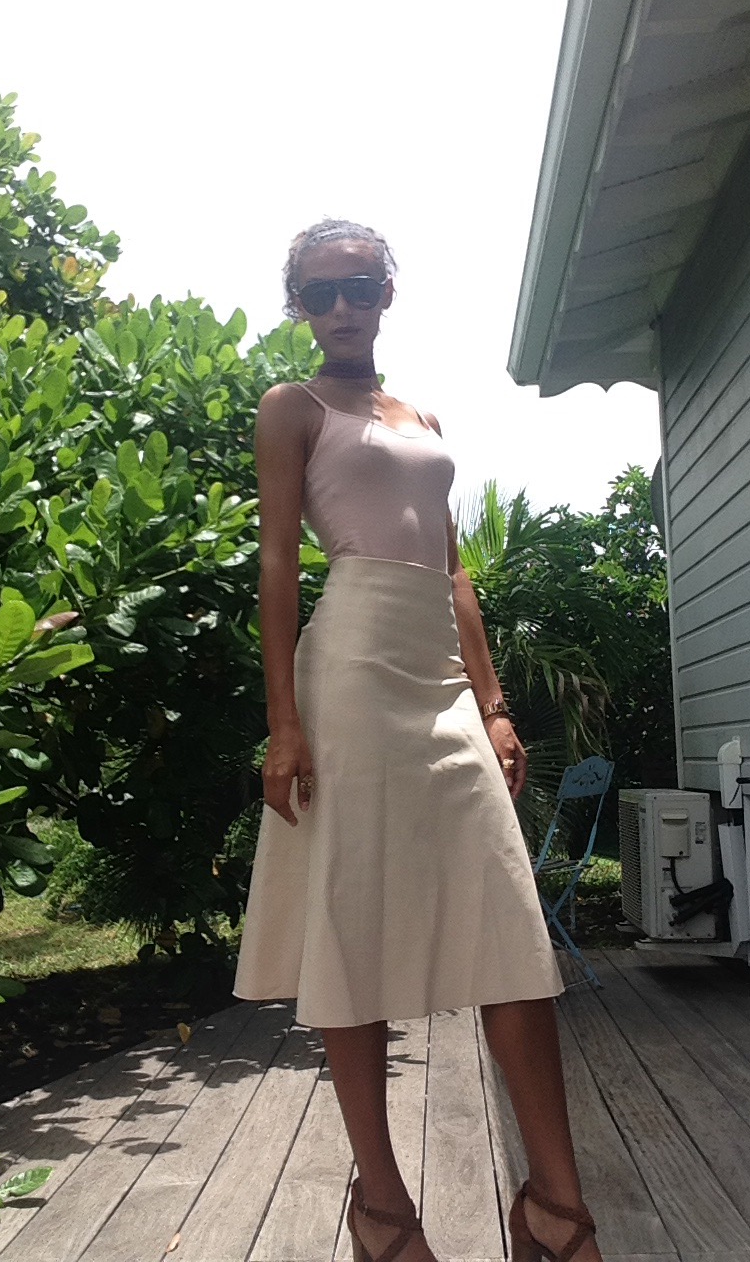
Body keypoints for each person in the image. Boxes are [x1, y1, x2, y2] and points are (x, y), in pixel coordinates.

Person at [232, 218, 602, 1262]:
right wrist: (284, 722)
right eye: (319, 292)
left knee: (512, 933)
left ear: (387, 291)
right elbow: (276, 563)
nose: (341, 307)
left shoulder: (422, 413)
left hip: (440, 677)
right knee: (349, 930)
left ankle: (557, 1207)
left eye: (359, 285)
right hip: (349, 673)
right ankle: (385, 1208)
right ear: (299, 307)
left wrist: (494, 702)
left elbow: (453, 569)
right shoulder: (292, 407)